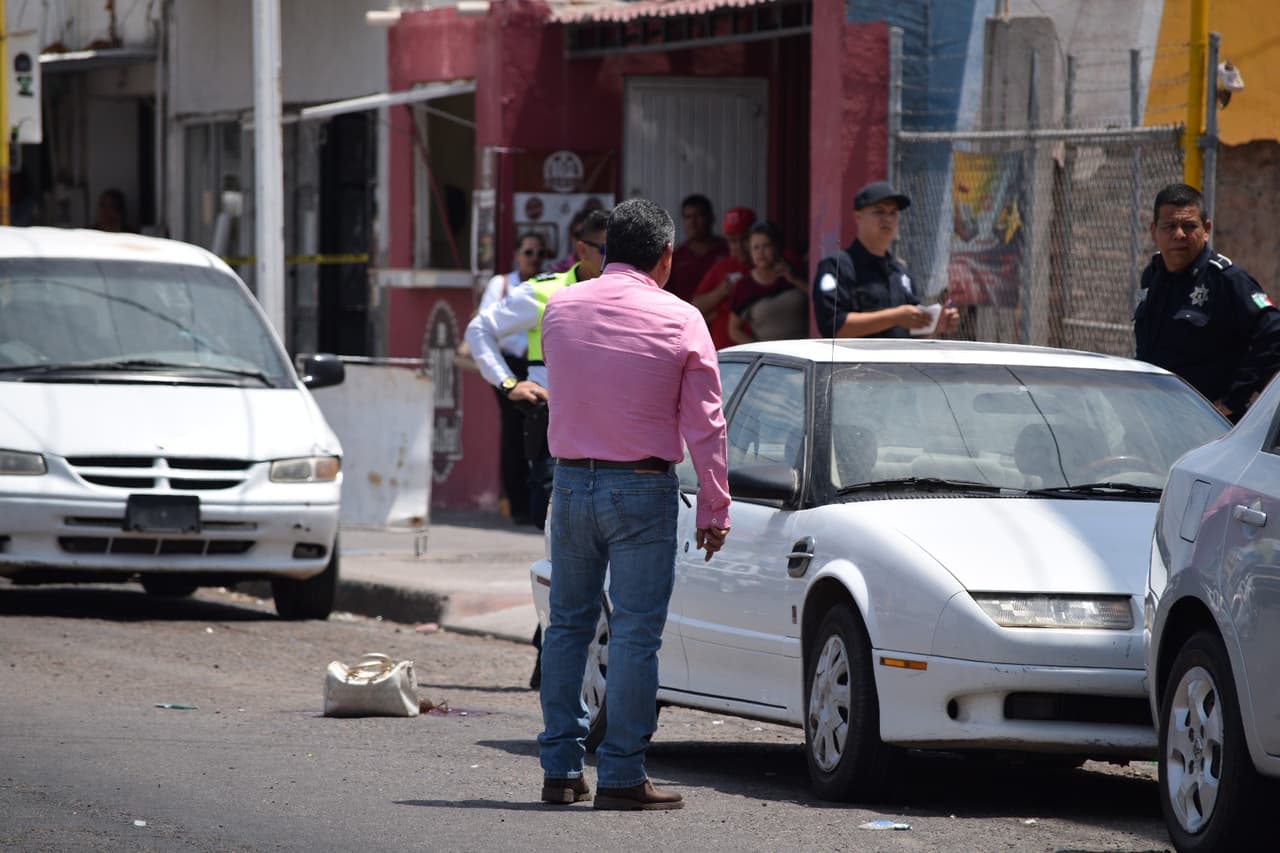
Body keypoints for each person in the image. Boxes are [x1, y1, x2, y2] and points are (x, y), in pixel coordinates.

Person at [537, 198, 730, 811]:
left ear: (605, 247)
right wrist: (714, 507)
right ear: (666, 257)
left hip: (568, 483)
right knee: (635, 635)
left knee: (566, 627)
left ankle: (561, 769)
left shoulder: (560, 307)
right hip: (642, 488)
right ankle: (621, 773)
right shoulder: (682, 318)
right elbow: (707, 422)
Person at [464, 209, 610, 531]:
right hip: (555, 438)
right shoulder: (544, 291)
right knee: (554, 542)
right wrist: (507, 383)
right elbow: (478, 330)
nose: (612, 259)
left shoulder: (631, 296)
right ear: (582, 250)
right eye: (604, 250)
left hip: (610, 439)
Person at [1134, 183, 1280, 422]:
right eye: (1169, 226)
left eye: (1189, 226)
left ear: (1206, 229)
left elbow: (1274, 334)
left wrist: (1233, 399)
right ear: (1154, 231)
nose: (1179, 234)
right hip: (1155, 416)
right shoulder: (1152, 275)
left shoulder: (1227, 280)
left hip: (1205, 426)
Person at [812, 180, 959, 338]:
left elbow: (913, 332)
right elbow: (833, 326)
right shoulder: (837, 266)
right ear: (857, 216)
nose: (887, 219)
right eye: (879, 211)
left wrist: (935, 323)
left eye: (893, 213)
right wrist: (893, 317)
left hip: (897, 362)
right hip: (856, 362)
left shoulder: (900, 272)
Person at [478, 231, 547, 525]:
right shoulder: (502, 284)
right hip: (509, 366)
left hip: (537, 366)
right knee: (514, 433)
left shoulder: (546, 284)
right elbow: (485, 325)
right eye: (528, 252)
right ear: (517, 255)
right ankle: (517, 503)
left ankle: (539, 501)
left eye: (538, 253)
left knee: (541, 432)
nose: (533, 259)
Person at [726, 220, 810, 344]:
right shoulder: (745, 286)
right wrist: (757, 349)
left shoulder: (795, 270)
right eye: (756, 248)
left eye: (766, 246)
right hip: (770, 358)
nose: (761, 253)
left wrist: (795, 280)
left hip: (804, 352)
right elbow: (734, 329)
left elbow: (819, 300)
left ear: (777, 247)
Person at [690, 206, 755, 349]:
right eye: (732, 240)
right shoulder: (722, 267)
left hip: (760, 352)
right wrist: (721, 292)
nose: (738, 246)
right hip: (724, 353)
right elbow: (695, 306)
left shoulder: (768, 264)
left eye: (744, 238)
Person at [666, 193, 728, 303]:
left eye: (698, 216)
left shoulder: (727, 250)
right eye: (688, 217)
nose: (692, 223)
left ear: (711, 218)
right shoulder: (675, 258)